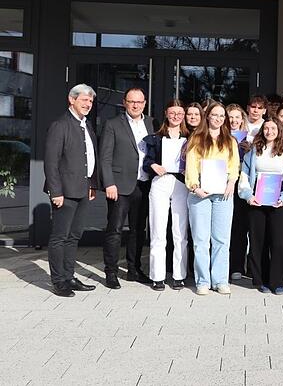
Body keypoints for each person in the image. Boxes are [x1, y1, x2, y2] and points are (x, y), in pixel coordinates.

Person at [44, 84, 100, 297]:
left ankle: (69, 276)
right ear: (72, 100)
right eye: (84, 100)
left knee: (74, 236)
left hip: (83, 189)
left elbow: (90, 157)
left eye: (91, 101)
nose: (88, 104)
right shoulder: (60, 125)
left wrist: (92, 185)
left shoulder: (86, 125)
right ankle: (59, 281)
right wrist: (55, 191)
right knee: (60, 236)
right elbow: (51, 162)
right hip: (64, 192)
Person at [99, 87, 155, 288]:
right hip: (119, 186)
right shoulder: (113, 124)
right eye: (131, 101)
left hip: (144, 184)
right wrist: (109, 183)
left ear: (144, 103)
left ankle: (134, 269)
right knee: (114, 230)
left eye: (139, 102)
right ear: (124, 102)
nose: (135, 105)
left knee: (138, 230)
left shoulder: (151, 123)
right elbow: (104, 156)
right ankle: (111, 272)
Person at [238, 116, 283, 295]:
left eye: (273, 129)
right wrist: (248, 195)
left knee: (279, 242)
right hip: (257, 200)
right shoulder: (253, 151)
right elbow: (244, 175)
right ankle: (261, 279)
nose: (269, 132)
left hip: (279, 201)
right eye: (266, 129)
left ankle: (279, 281)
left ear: (279, 130)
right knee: (259, 241)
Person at [185, 102, 240, 295]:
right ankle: (202, 281)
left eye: (222, 116)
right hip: (200, 195)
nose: (218, 119)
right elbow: (191, 165)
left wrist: (232, 182)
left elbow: (235, 166)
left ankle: (220, 280)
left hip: (223, 195)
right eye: (215, 115)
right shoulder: (197, 138)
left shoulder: (230, 140)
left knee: (222, 240)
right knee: (201, 240)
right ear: (207, 116)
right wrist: (195, 186)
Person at [143, 100, 190, 291]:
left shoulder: (190, 136)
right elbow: (147, 162)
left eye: (179, 113)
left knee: (180, 232)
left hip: (181, 184)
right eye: (172, 113)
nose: (176, 116)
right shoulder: (155, 138)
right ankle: (157, 276)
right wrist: (153, 165)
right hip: (160, 183)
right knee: (158, 230)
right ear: (166, 114)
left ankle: (179, 275)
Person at [227, 103, 253, 281]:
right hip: (223, 184)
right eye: (231, 117)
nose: (234, 120)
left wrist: (248, 151)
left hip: (242, 186)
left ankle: (240, 266)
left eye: (237, 117)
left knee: (241, 227)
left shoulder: (249, 139)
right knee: (226, 228)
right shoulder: (219, 136)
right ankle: (228, 265)